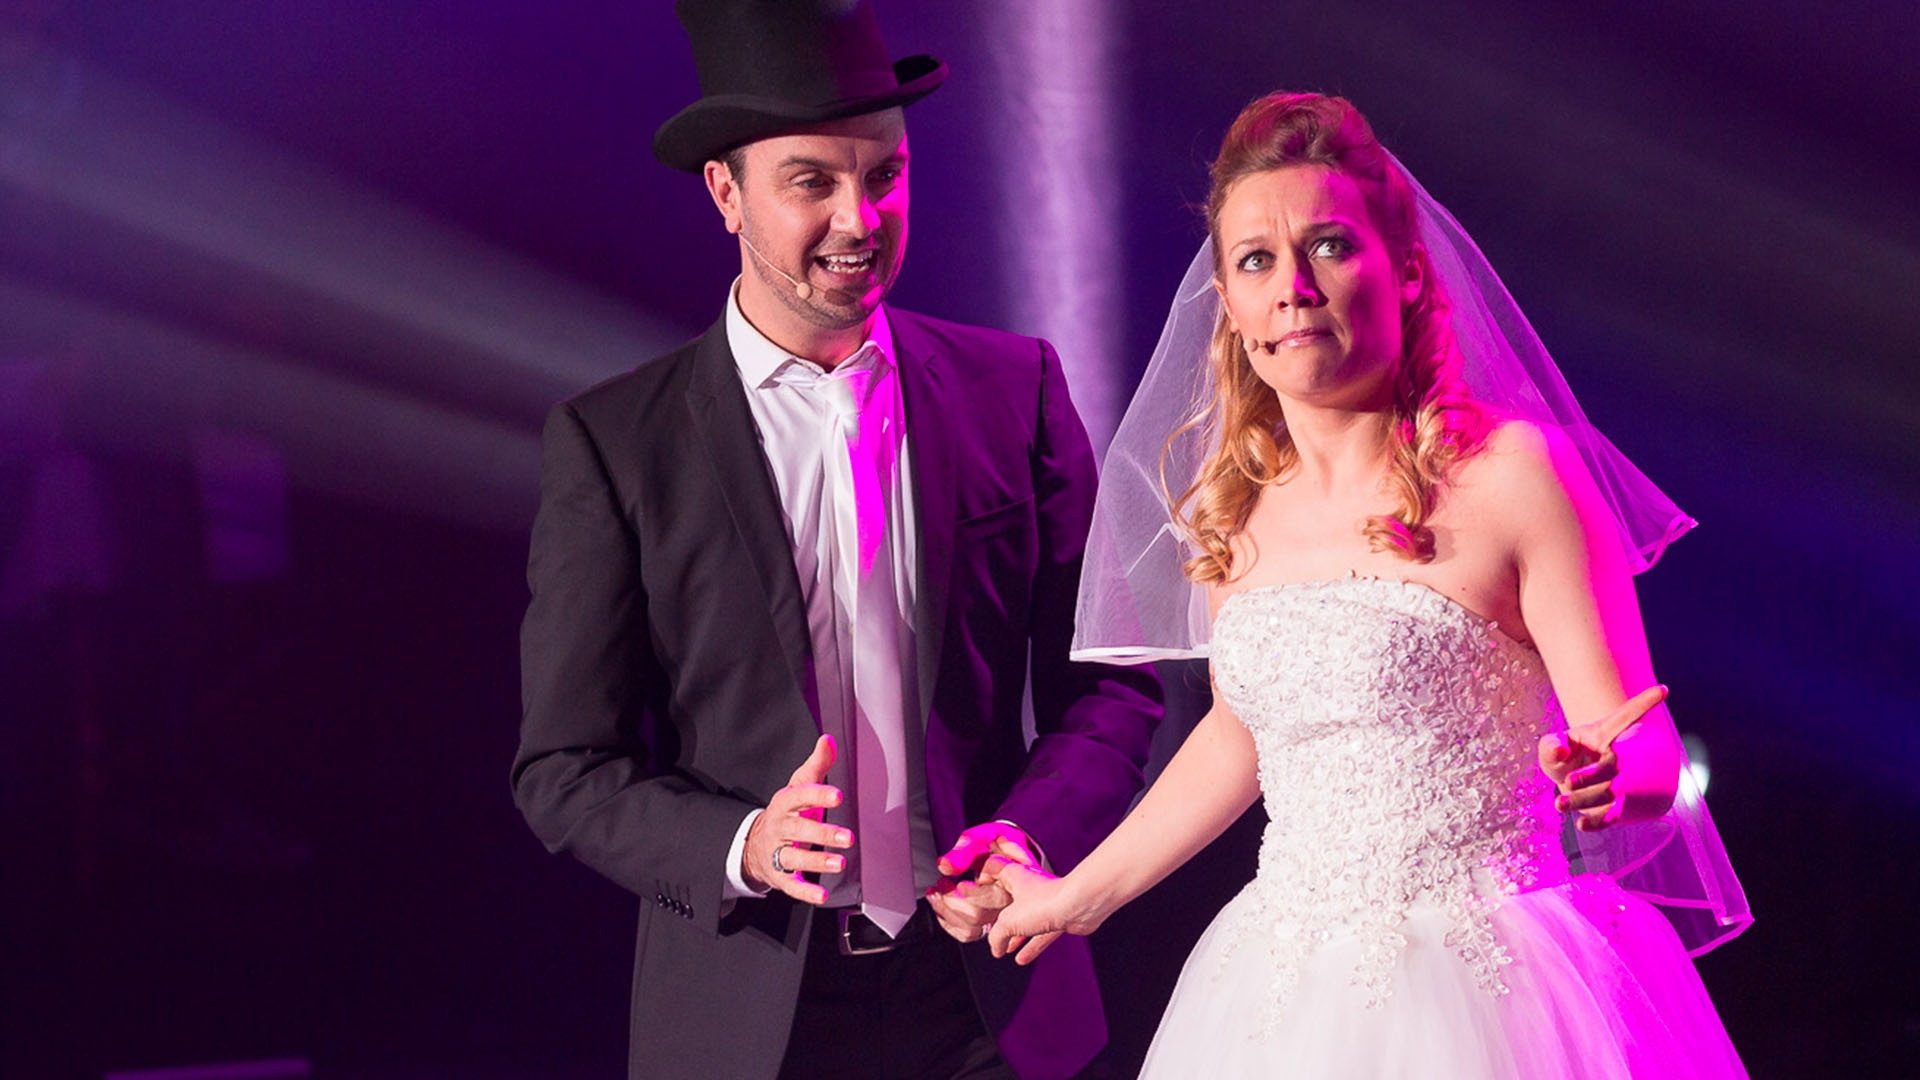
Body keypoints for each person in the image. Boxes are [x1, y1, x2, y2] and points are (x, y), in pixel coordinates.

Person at [982, 91, 1751, 1077]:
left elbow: (1637, 742)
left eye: (1331, 246)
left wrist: (1615, 777)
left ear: (1408, 272)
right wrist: (1076, 895)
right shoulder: (1234, 509)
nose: (1294, 287)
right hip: (1280, 988)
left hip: (1493, 982)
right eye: (1256, 260)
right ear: (1229, 306)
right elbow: (1242, 738)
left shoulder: (1516, 476)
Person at [511, 3, 1160, 1079]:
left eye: (885, 175)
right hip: (751, 1016)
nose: (860, 218)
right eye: (811, 181)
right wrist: (742, 845)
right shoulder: (617, 444)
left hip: (991, 996)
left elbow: (1111, 687)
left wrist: (1027, 835)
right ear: (726, 193)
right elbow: (566, 769)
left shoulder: (1017, 391)